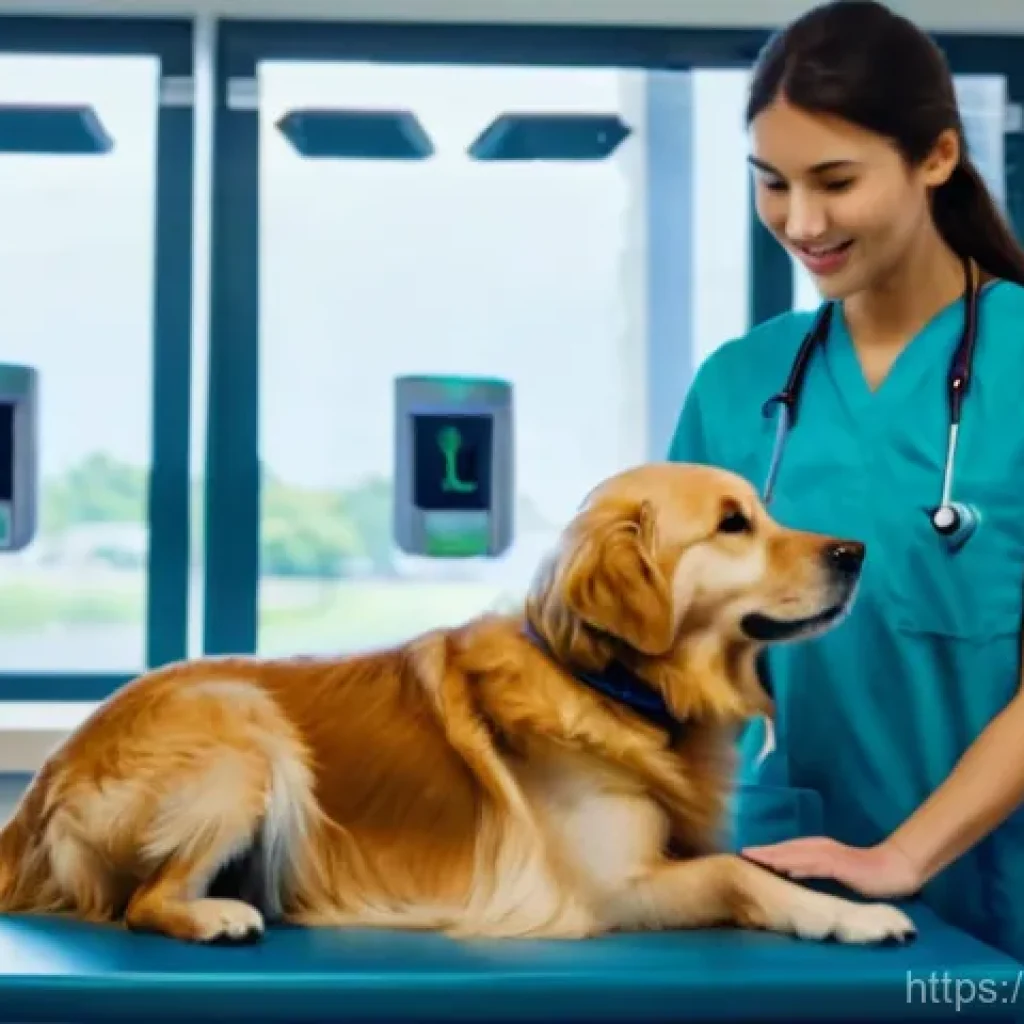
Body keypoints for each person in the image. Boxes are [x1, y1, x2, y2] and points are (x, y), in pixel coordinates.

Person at [668, 0, 1024, 961]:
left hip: (999, 903)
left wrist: (905, 856)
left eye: (836, 181)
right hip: (794, 895)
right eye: (773, 183)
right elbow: (681, 652)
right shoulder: (739, 386)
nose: (803, 221)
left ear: (937, 158)